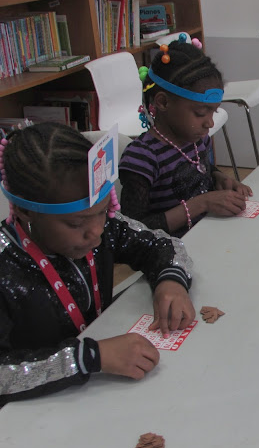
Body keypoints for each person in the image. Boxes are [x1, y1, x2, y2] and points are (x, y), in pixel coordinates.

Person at [0, 122, 196, 405]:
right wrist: (90, 357)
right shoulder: (6, 266)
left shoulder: (105, 227)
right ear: (24, 210)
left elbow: (163, 244)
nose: (96, 232)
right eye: (75, 223)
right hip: (34, 413)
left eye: (103, 211)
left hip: (97, 393)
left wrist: (171, 280)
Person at [119, 37, 252, 238]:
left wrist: (219, 177)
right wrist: (202, 203)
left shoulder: (197, 139)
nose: (210, 123)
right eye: (200, 113)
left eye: (213, 112)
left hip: (208, 234)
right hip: (172, 250)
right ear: (163, 102)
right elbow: (132, 230)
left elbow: (201, 169)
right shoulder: (142, 158)